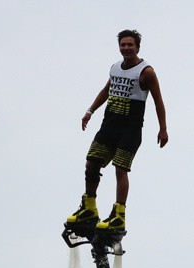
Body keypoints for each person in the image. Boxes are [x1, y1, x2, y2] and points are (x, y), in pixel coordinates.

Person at [66, 29, 168, 235]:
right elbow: (106, 90)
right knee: (91, 162)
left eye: (130, 45)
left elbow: (158, 100)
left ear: (137, 47)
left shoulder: (146, 72)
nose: (126, 48)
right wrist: (90, 111)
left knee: (120, 169)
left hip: (130, 128)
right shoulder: (114, 68)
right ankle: (89, 208)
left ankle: (119, 215)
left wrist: (163, 128)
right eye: (123, 45)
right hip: (109, 125)